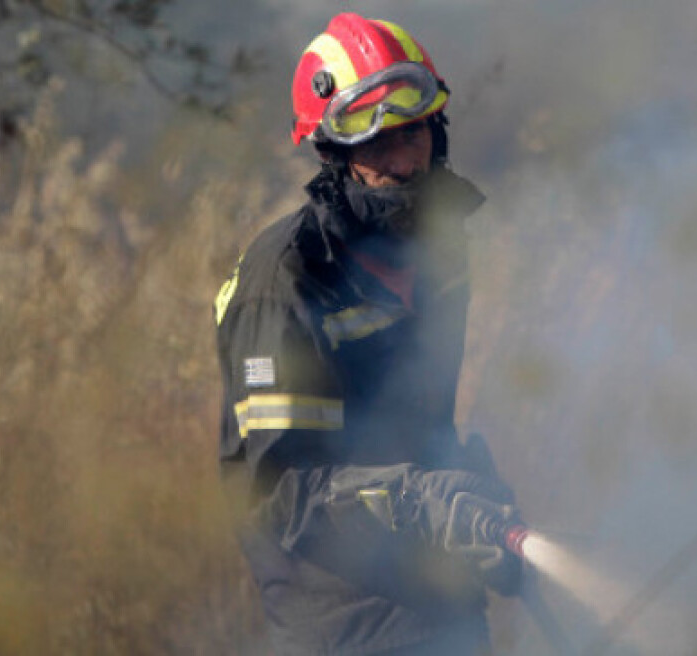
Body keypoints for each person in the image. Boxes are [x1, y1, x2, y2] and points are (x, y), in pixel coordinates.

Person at [215, 13, 523, 655]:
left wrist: (471, 498)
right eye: (374, 142)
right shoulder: (287, 279)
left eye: (410, 134)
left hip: (442, 604)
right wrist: (424, 503)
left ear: (435, 135)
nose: (401, 161)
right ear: (334, 153)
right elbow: (285, 493)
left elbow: (415, 425)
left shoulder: (438, 253)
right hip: (344, 625)